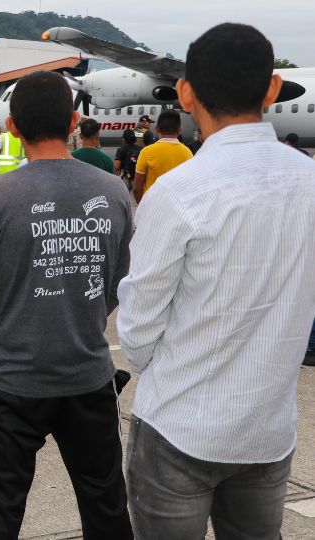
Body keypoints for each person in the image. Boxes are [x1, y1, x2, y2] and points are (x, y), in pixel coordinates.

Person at [117, 23, 315, 539]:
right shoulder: (309, 184)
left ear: (185, 92)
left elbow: (137, 330)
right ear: (273, 88)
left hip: (180, 426)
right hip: (266, 431)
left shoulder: (179, 192)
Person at [0, 71, 133, 540]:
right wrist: (87, 317)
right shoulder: (114, 191)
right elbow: (119, 278)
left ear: (12, 126)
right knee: (107, 507)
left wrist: (1, 341)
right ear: (75, 121)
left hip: (14, 379)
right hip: (89, 372)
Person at [132, 109, 193, 204]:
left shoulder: (147, 152)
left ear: (157, 129)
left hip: (152, 206)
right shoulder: (188, 153)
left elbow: (136, 189)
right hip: (177, 209)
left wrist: (143, 206)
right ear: (179, 130)